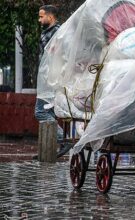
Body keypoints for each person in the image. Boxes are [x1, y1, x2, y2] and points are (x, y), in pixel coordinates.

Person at [34, 5, 68, 158]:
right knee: (49, 114)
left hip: (51, 79)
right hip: (47, 78)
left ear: (50, 16)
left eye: (42, 17)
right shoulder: (49, 32)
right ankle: (48, 152)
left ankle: (64, 140)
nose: (39, 20)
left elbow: (60, 55)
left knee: (40, 112)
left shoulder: (58, 33)